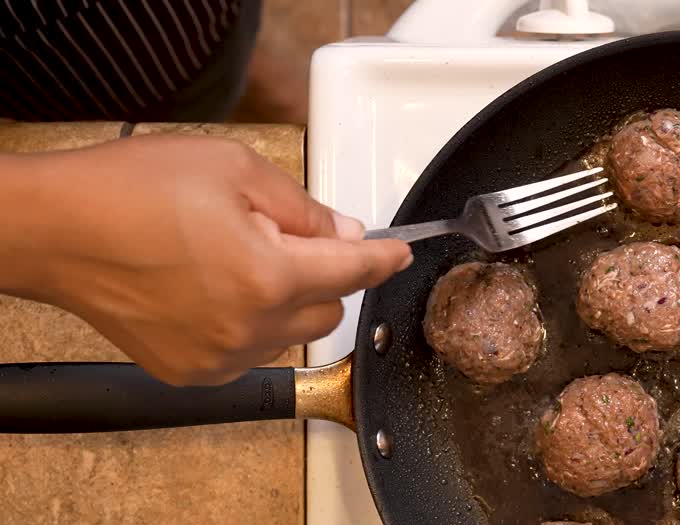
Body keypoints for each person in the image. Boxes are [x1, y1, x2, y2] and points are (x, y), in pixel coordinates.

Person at [0, 1, 409, 387]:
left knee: (207, 39)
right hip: (53, 54)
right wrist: (47, 232)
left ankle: (239, 68)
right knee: (149, 72)